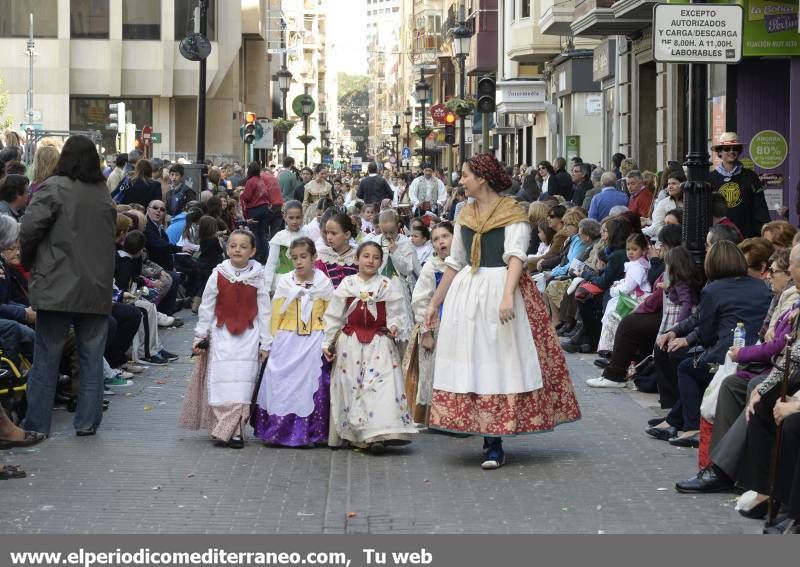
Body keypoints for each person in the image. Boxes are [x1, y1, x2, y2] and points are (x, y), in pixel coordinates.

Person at [423, 153, 581, 469]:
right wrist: (434, 303)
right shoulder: (465, 213)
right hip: (468, 294)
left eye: (465, 175)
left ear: (482, 178)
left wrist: (508, 295)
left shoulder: (512, 213)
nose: (461, 180)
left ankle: (495, 441)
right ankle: (486, 432)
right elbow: (454, 263)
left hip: (498, 288)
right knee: (474, 359)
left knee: (498, 360)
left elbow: (515, 258)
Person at [20, 136, 117, 437]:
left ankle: (36, 424)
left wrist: (28, 259)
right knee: (91, 358)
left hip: (57, 285)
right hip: (96, 287)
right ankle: (87, 422)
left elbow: (29, 229)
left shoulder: (53, 188)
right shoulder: (102, 194)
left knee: (47, 356)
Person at [648, 241, 772, 447]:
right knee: (691, 362)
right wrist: (678, 332)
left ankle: (691, 427)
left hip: (727, 359)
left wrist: (689, 339)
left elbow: (705, 335)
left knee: (688, 368)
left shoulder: (713, 290)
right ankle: (674, 421)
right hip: (756, 353)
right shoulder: (761, 286)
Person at [179, 229, 270, 449]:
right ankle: (223, 426)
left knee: (243, 383)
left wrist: (266, 341)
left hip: (248, 335)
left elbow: (265, 310)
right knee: (222, 382)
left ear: (253, 251)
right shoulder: (217, 274)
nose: (237, 249)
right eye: (233, 245)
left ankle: (235, 430)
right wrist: (201, 334)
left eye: (243, 246)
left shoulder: (258, 276)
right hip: (222, 335)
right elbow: (207, 306)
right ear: (227, 248)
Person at [322, 241, 417, 453]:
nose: (370, 260)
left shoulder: (386, 285)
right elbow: (334, 315)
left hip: (379, 342)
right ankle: (356, 435)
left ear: (381, 262)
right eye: (366, 256)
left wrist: (393, 326)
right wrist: (328, 342)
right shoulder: (348, 284)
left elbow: (397, 312)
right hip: (351, 343)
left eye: (375, 257)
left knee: (379, 386)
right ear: (357, 259)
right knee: (351, 386)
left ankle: (377, 435)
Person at [253, 237, 334, 447]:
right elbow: (275, 314)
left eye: (303, 257)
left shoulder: (323, 283)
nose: (299, 262)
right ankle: (277, 431)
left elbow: (331, 314)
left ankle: (309, 432)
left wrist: (329, 340)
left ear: (314, 257)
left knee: (309, 385)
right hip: (287, 340)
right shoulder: (285, 282)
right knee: (282, 383)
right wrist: (268, 342)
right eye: (295, 258)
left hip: (313, 340)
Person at [404, 221, 453, 425]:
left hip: (460, 323)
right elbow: (421, 301)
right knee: (433, 371)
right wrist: (426, 332)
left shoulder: (467, 264)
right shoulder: (431, 268)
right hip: (437, 324)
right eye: (436, 239)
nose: (441, 242)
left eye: (445, 236)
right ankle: (433, 415)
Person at [367, 209, 420, 344]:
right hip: (378, 290)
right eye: (385, 232)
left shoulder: (405, 243)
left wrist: (395, 251)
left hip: (398, 290)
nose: (388, 235)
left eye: (392, 232)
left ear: (398, 226)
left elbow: (408, 269)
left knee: (400, 328)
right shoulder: (375, 241)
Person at [710, 132, 770, 238]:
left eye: (735, 148)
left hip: (747, 236)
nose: (732, 152)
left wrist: (764, 231)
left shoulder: (751, 177)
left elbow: (760, 208)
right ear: (720, 153)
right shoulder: (710, 178)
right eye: (727, 149)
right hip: (718, 236)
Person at [264, 201, 308, 292]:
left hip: (304, 278)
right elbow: (271, 263)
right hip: (283, 279)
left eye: (298, 217)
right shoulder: (279, 237)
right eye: (291, 218)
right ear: (284, 217)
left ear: (302, 217)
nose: (295, 221)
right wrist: (266, 286)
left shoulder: (306, 235)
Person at [315, 213, 359, 288]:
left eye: (333, 233)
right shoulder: (322, 255)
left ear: (347, 235)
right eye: (327, 232)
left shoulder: (358, 255)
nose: (329, 237)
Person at [241, 162, 271, 263]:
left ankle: (256, 256)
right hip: (265, 208)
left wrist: (242, 194)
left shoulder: (250, 181)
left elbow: (247, 197)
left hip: (255, 209)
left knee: (255, 234)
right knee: (262, 233)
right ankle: (265, 257)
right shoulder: (260, 180)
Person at [644, 170, 685, 240]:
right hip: (666, 242)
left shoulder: (690, 201)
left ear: (683, 184)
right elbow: (656, 227)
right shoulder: (663, 203)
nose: (670, 186)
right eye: (669, 184)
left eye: (674, 183)